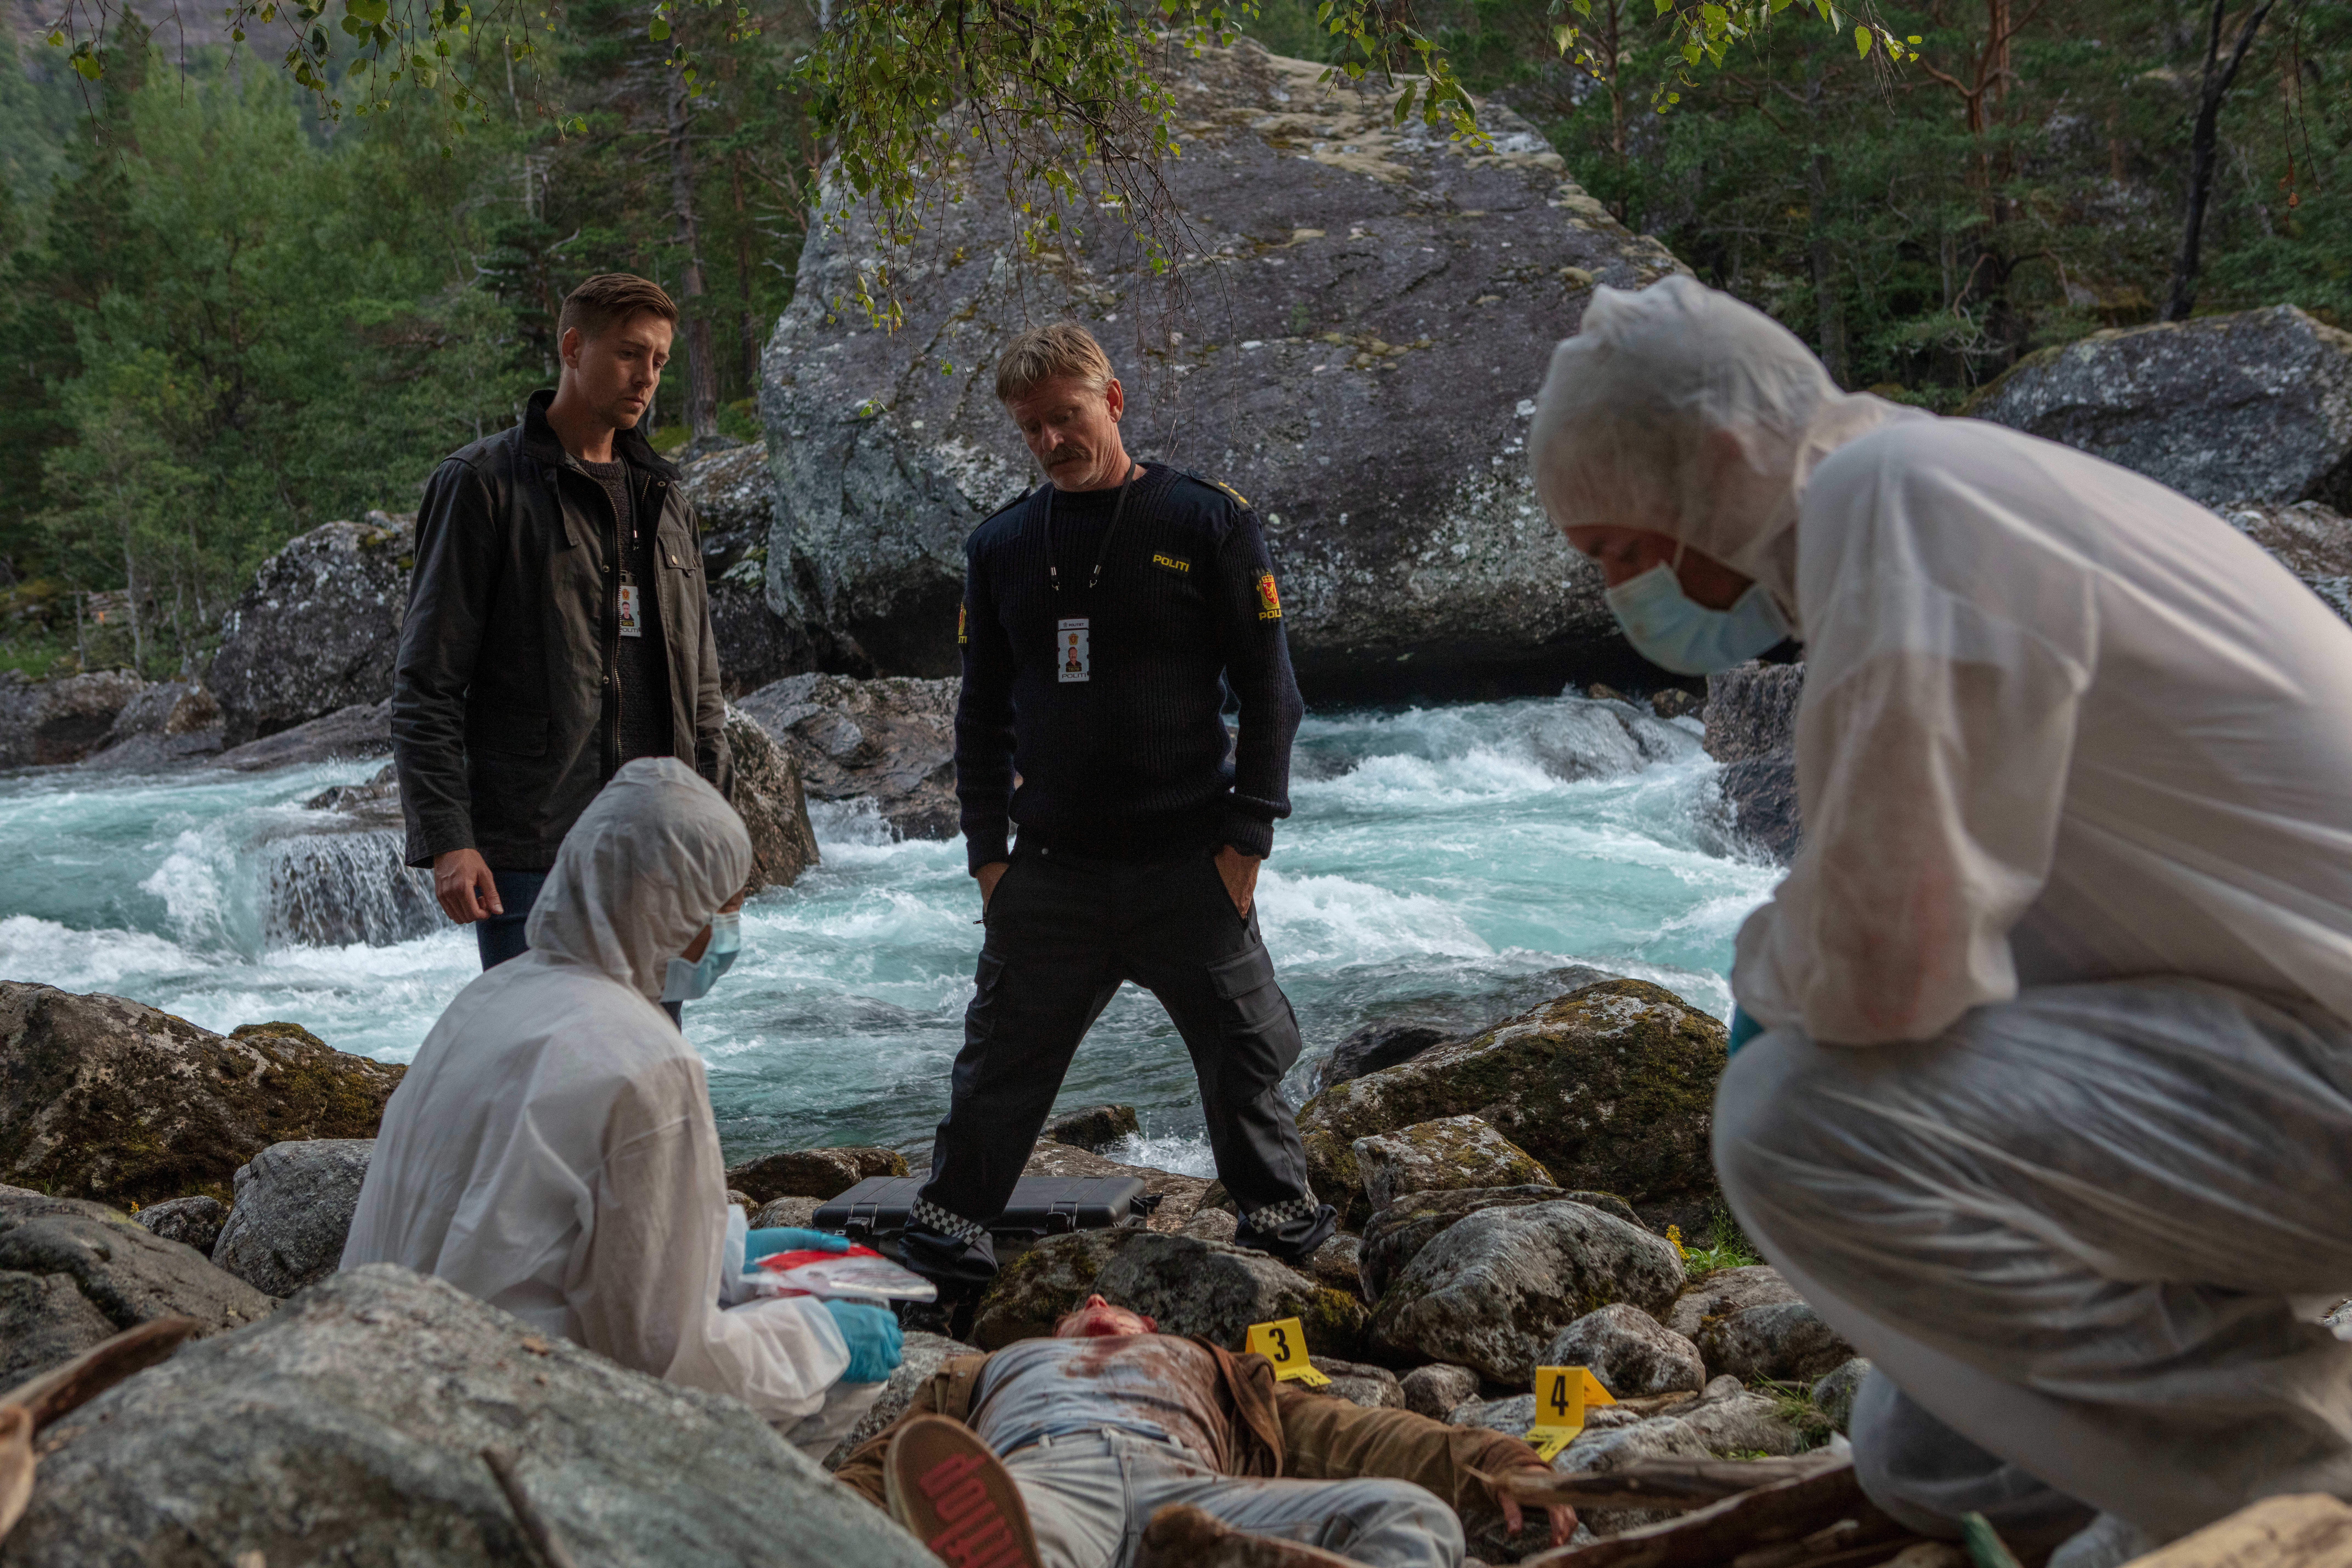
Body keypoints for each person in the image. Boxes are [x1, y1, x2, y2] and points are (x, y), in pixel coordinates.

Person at [1529, 274, 2352, 1563]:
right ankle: (2179, 1503)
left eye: (1619, 549)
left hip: (2317, 1076)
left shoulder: (1901, 500)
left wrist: (1769, 981)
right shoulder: (1940, 498)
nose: (1628, 594)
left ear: (1720, 462)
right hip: (2279, 1067)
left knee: (1791, 1121)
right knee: (1933, 1451)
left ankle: (2308, 1489)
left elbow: (1886, 973)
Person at [900, 322, 1334, 1290]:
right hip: (1050, 865)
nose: (1053, 439)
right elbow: (979, 716)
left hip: (1188, 854)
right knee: (996, 1071)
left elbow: (1271, 691)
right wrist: (987, 856)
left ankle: (1285, 1233)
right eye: (1031, 427)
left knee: (1244, 1059)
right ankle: (944, 1240)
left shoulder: (1206, 521)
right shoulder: (1002, 544)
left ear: (1114, 400)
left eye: (1067, 415)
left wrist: (1247, 839)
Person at [340, 758, 901, 1454]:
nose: (732, 929)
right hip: (505, 1439)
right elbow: (668, 1361)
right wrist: (825, 1339)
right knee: (846, 1364)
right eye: (727, 905)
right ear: (675, 906)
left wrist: (727, 1255)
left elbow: (525, 1221)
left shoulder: (489, 998)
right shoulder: (648, 1061)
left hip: (378, 1390)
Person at [393, 273, 732, 1014]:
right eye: (629, 354)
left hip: (658, 849)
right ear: (572, 348)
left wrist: (719, 841)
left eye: (660, 361)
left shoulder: (666, 499)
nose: (646, 377)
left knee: (645, 1069)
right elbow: (427, 684)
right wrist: (450, 839)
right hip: (531, 852)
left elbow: (702, 692)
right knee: (544, 1062)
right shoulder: (482, 484)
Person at [834, 1292, 1571, 1568]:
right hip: (1041, 1484)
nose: (1094, 1299)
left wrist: (1496, 1457)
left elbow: (1348, 1435)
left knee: (1414, 1516)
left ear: (1149, 1327)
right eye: (1076, 1305)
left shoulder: (1215, 1369)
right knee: (1023, 1552)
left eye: (1110, 1300)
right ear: (1056, 1331)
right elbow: (886, 1470)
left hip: (1196, 1494)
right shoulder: (981, 1370)